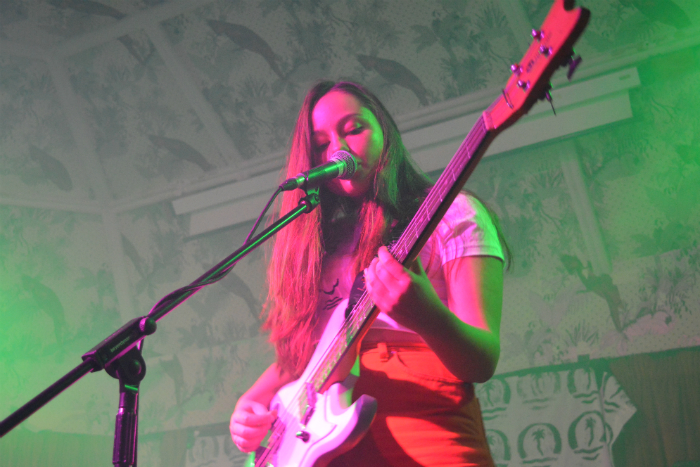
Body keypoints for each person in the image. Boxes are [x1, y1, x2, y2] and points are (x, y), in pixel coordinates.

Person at [229, 81, 507, 466]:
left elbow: (481, 361)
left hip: (429, 437)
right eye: (321, 143)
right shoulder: (321, 247)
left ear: (385, 133)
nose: (337, 149)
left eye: (353, 128)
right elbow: (303, 357)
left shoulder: (453, 215)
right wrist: (250, 404)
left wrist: (426, 315)